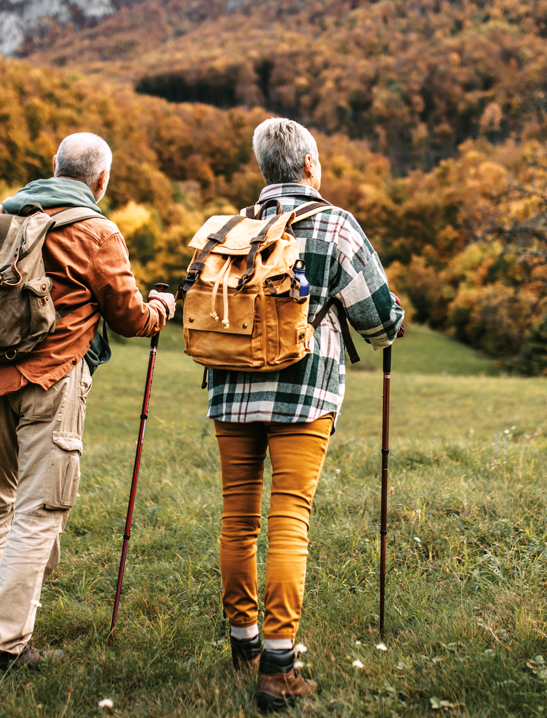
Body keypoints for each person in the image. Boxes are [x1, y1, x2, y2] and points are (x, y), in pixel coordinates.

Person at [0, 132, 176, 670]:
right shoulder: (98, 231)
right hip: (51, 379)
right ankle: (2, 648)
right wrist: (160, 305)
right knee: (39, 512)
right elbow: (130, 317)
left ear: (52, 166)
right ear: (102, 180)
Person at [207, 118, 404, 711]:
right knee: (290, 516)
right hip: (303, 392)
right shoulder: (337, 224)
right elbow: (377, 320)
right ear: (311, 166)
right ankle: (278, 668)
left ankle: (243, 645)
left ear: (264, 170)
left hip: (231, 389)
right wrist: (390, 322)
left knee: (238, 515)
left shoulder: (231, 227)